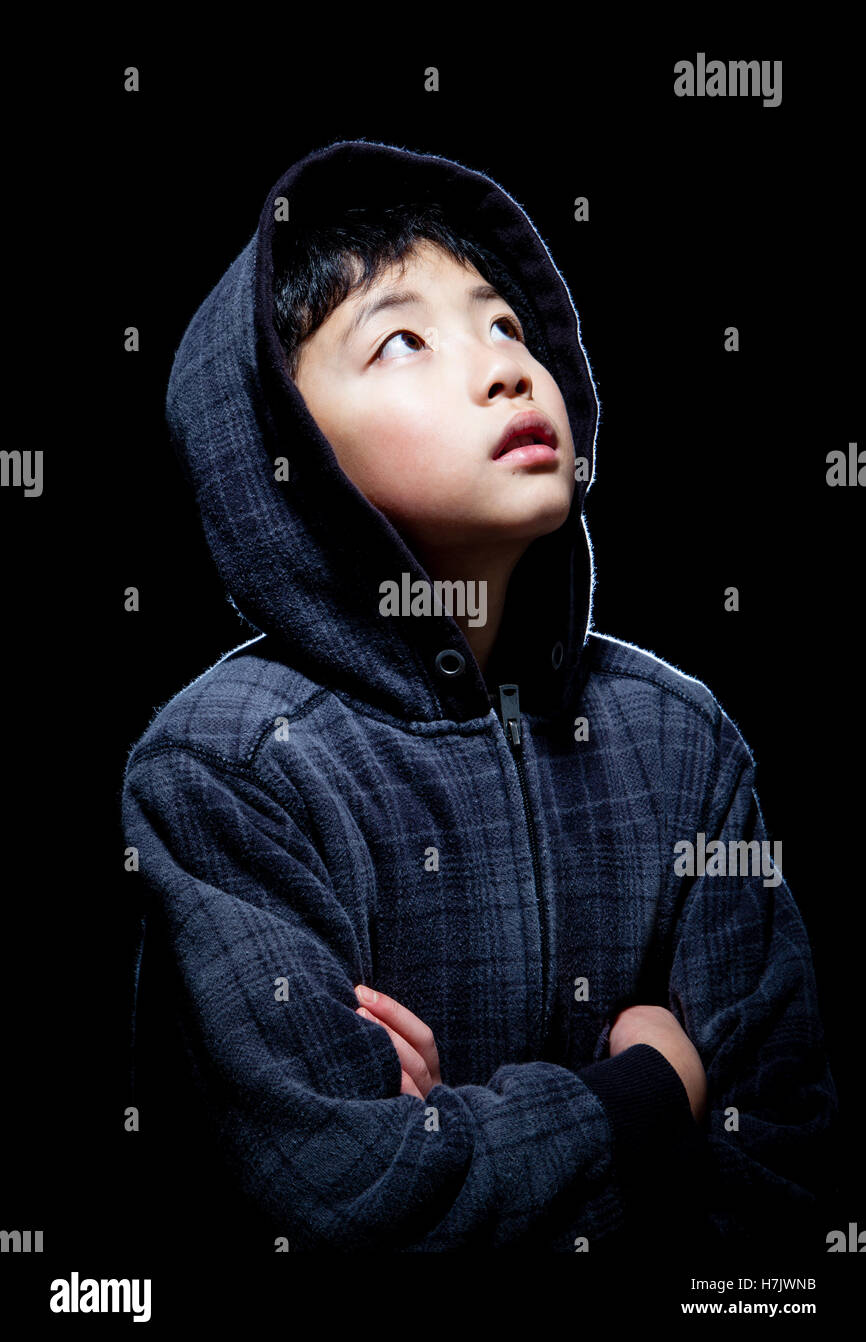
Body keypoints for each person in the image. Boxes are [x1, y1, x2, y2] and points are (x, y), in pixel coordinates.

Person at [122, 138, 838, 1256]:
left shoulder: (681, 741)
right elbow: (336, 1197)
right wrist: (649, 1090)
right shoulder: (228, 768)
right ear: (282, 447)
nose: (505, 367)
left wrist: (457, 1132)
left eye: (504, 324)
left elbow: (787, 1177)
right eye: (400, 340)